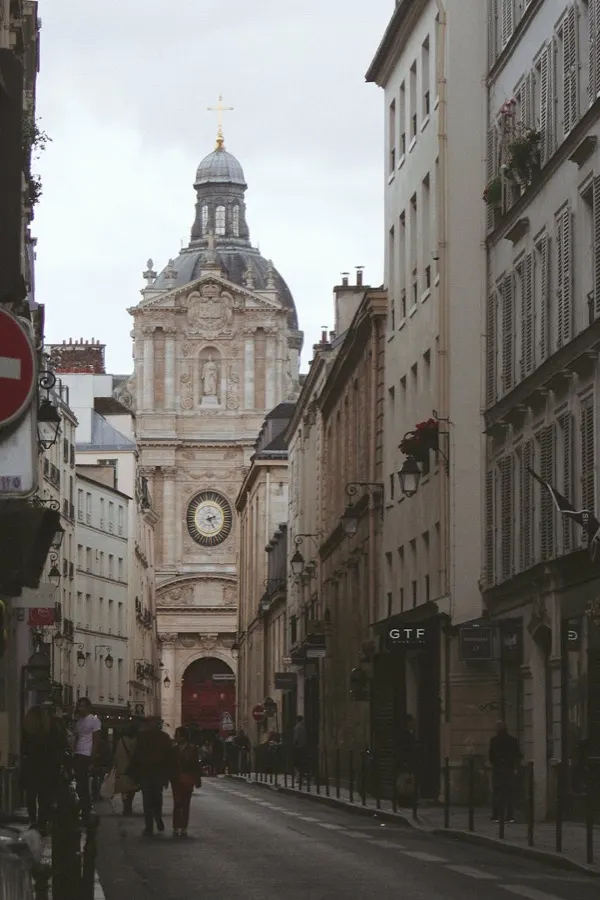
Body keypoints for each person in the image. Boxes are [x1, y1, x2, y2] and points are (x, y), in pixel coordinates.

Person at [20, 704, 67, 835]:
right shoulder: (50, 727)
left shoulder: (27, 728)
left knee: (31, 795)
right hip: (47, 766)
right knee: (44, 796)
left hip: (31, 765)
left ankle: (33, 821)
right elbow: (60, 745)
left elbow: (23, 748)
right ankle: (42, 824)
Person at [130, 716, 174, 836]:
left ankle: (149, 825)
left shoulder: (142, 736)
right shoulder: (164, 737)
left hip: (146, 771)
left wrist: (134, 772)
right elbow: (170, 757)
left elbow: (136, 754)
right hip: (157, 771)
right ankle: (157, 818)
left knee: (147, 799)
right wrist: (167, 776)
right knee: (156, 797)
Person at [73, 697, 101, 822]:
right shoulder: (79, 721)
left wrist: (92, 758)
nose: (80, 708)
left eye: (83, 706)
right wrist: (74, 751)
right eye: (79, 706)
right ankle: (85, 807)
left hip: (86, 754)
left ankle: (86, 808)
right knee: (80, 783)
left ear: (88, 707)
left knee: (83, 783)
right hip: (78, 754)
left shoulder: (94, 720)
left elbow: (96, 740)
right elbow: (77, 738)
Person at [171, 727, 202, 837]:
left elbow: (196, 765)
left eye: (177, 735)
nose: (176, 737)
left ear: (183, 737)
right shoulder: (174, 749)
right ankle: (176, 826)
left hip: (188, 779)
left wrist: (198, 779)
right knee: (177, 803)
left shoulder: (193, 749)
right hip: (176, 780)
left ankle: (183, 827)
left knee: (185, 803)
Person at [489, 720, 521, 823]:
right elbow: (518, 754)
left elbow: (491, 756)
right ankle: (510, 816)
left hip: (498, 769)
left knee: (497, 792)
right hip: (509, 768)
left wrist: (498, 762)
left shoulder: (494, 740)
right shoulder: (513, 740)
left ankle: (496, 815)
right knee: (510, 793)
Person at [114, 722, 139, 816]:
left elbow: (117, 754)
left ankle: (126, 805)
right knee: (131, 788)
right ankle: (129, 804)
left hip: (122, 768)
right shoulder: (136, 741)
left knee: (124, 789)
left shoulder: (121, 741)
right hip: (132, 769)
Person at [292, 715, 307, 780]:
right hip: (303, 746)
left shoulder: (297, 727)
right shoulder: (304, 727)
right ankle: (301, 775)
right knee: (301, 761)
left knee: (296, 762)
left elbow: (296, 737)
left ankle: (298, 776)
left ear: (297, 720)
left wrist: (294, 743)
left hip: (298, 746)